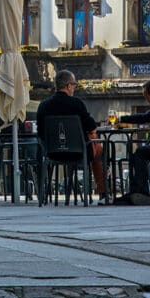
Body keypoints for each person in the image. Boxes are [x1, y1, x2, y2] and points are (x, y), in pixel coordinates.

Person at [35, 70, 111, 205]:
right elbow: (92, 127)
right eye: (74, 85)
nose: (74, 88)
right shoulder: (76, 104)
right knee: (99, 148)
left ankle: (43, 194)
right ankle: (103, 193)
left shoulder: (43, 106)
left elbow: (40, 133)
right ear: (69, 86)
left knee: (95, 145)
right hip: (78, 152)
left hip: (52, 153)